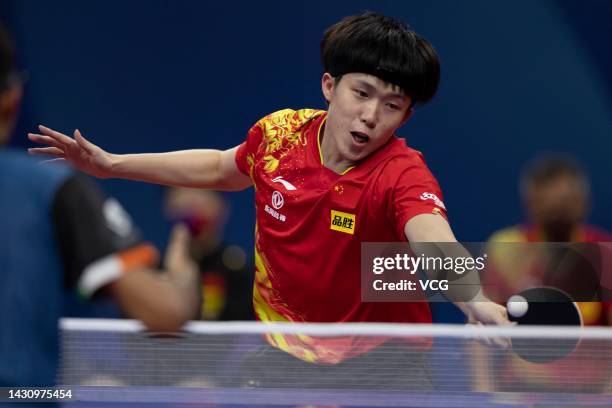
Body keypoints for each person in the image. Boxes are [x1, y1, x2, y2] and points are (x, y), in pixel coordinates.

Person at [28, 12, 509, 388]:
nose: (370, 115)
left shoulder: (401, 172)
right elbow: (221, 167)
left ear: (405, 116)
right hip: (285, 354)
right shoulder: (279, 135)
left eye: (392, 105)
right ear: (329, 86)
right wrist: (112, 164)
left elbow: (433, 239)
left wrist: (474, 298)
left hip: (385, 362)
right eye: (361, 93)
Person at [0, 22, 199, 388]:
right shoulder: (53, 189)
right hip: (22, 396)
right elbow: (166, 312)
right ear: (12, 97)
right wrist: (182, 272)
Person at [472, 155, 612, 393]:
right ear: (531, 204)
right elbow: (481, 325)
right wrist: (483, 392)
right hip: (523, 390)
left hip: (591, 392)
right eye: (548, 203)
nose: (556, 210)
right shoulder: (507, 249)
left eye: (565, 202)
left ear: (583, 203)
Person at [164, 187, 254, 321]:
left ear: (223, 207)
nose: (191, 201)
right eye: (181, 189)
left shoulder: (241, 271)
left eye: (204, 191)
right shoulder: (153, 269)